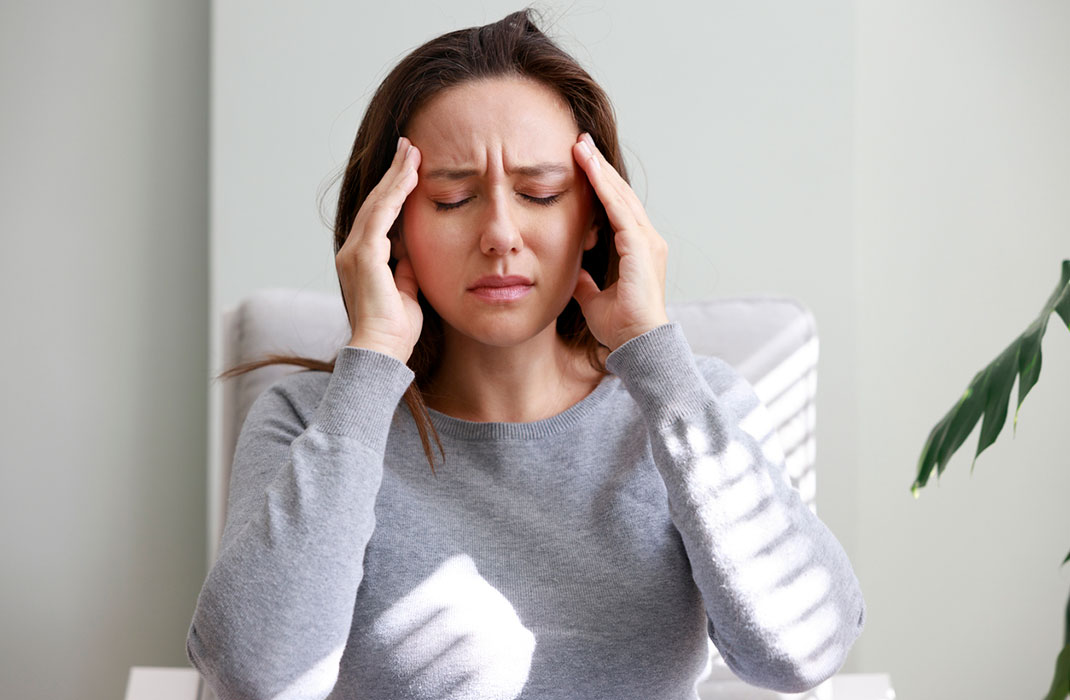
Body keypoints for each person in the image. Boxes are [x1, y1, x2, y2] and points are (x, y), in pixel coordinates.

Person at [186, 9, 865, 700]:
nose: (501, 234)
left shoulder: (697, 404)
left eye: (541, 192)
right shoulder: (309, 422)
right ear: (388, 225)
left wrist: (657, 360)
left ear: (598, 212)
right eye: (452, 198)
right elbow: (254, 674)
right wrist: (372, 363)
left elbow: (802, 656)